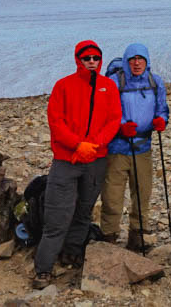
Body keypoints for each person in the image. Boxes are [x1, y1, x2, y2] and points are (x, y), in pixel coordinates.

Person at [33, 40, 122, 290]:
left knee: (83, 211)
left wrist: (93, 145)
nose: (92, 62)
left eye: (96, 58)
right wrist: (77, 145)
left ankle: (72, 254)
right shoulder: (63, 86)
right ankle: (43, 269)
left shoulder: (108, 87)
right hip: (66, 160)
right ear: (78, 60)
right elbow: (56, 122)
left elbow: (114, 119)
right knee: (57, 216)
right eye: (87, 58)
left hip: (95, 159)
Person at [99, 42, 169, 252]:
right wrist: (120, 127)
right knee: (112, 196)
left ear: (147, 61)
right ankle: (109, 238)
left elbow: (162, 108)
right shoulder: (113, 82)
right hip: (117, 148)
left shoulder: (154, 82)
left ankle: (137, 238)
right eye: (132, 59)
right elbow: (106, 113)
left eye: (140, 59)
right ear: (127, 61)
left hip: (143, 147)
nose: (136, 63)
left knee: (142, 194)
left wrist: (161, 120)